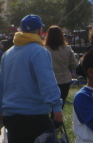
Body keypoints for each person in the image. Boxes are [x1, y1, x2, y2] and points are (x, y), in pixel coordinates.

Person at [0, 15, 63, 143]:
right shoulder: (39, 51)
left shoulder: (7, 54)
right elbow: (47, 82)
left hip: (11, 116)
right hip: (35, 115)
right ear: (40, 30)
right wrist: (56, 106)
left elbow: (2, 85)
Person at [44, 25, 78, 107]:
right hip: (64, 81)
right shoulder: (67, 49)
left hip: (48, 81)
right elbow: (74, 65)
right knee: (60, 106)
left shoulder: (44, 49)